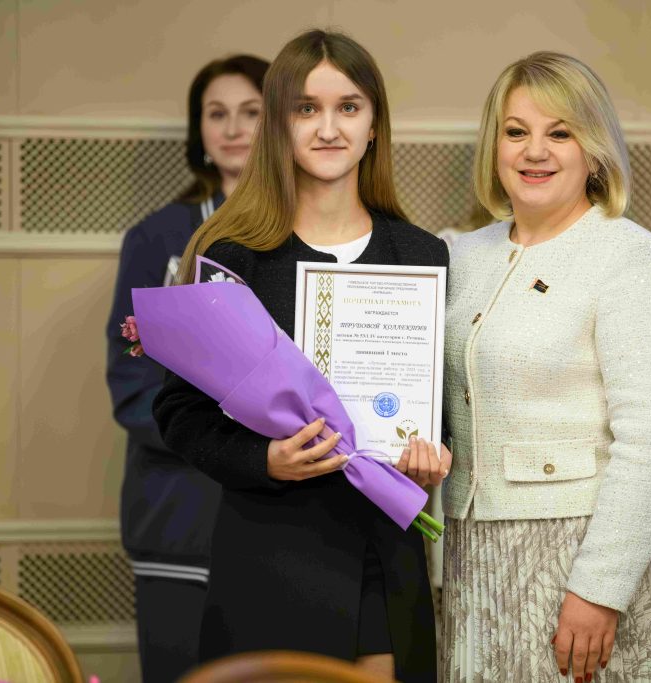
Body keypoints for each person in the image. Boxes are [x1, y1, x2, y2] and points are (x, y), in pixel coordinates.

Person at [152, 29, 450, 683]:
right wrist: (264, 459)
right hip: (269, 553)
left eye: (349, 107)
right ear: (279, 125)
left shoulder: (422, 254)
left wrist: (433, 455)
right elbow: (178, 412)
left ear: (374, 125)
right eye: (306, 108)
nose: (329, 128)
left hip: (383, 551)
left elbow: (440, 406)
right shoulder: (232, 253)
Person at [441, 52, 651, 682]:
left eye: (560, 133)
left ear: (594, 151)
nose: (534, 151)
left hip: (581, 556)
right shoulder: (461, 255)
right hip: (471, 552)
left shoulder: (630, 257)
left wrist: (599, 589)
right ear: (494, 146)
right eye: (516, 131)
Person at [105, 53, 269, 683]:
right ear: (198, 130)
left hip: (280, 515)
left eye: (251, 112)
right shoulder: (157, 238)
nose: (233, 128)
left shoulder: (306, 233)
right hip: (178, 513)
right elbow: (132, 384)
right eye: (216, 114)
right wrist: (226, 441)